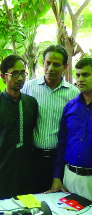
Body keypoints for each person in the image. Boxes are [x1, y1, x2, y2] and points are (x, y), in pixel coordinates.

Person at [49, 58, 92, 205]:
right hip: (69, 179)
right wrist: (57, 176)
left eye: (85, 75)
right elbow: (62, 145)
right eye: (78, 75)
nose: (80, 79)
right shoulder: (70, 107)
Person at [21, 45, 79, 193]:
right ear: (42, 62)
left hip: (60, 159)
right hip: (33, 157)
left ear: (65, 67)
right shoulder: (29, 88)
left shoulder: (73, 94)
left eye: (56, 64)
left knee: (57, 202)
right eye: (48, 63)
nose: (51, 68)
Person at [0, 55, 38, 199]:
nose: (20, 78)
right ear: (3, 76)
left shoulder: (31, 103)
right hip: (3, 172)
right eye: (15, 73)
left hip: (27, 172)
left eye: (23, 73)